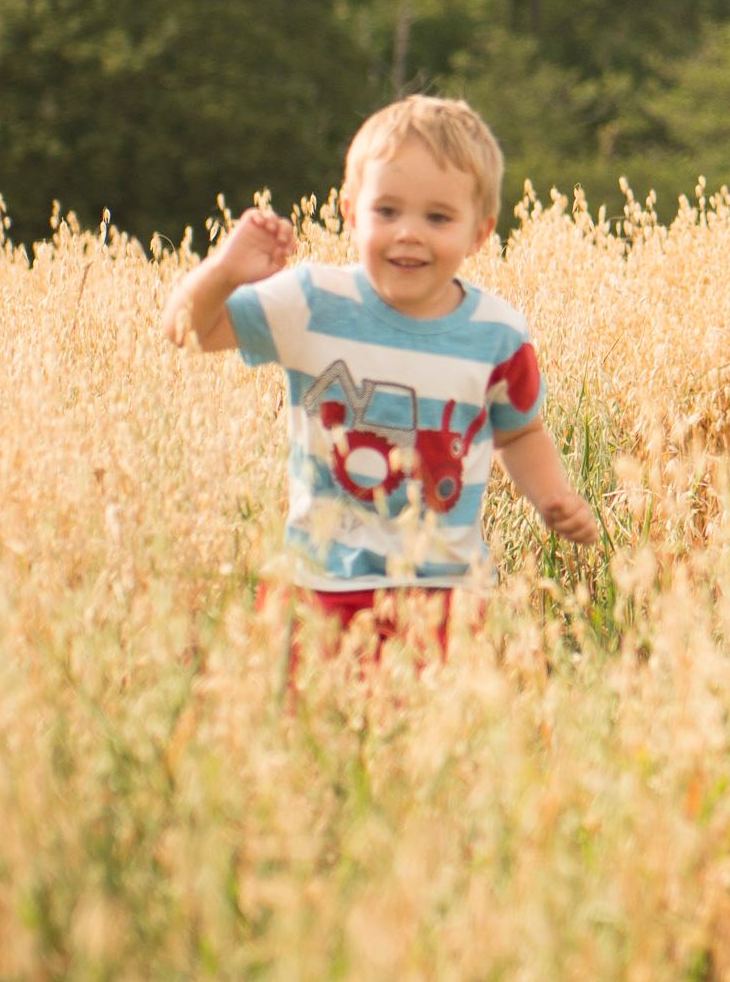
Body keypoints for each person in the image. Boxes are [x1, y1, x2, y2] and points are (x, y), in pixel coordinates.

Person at [163, 94, 599, 653]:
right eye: (386, 211)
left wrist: (552, 496)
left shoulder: (498, 334)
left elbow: (520, 432)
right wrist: (223, 272)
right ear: (350, 213)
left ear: (479, 232)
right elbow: (186, 329)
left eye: (437, 217)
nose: (408, 233)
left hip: (447, 594)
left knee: (432, 735)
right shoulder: (313, 301)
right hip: (318, 586)